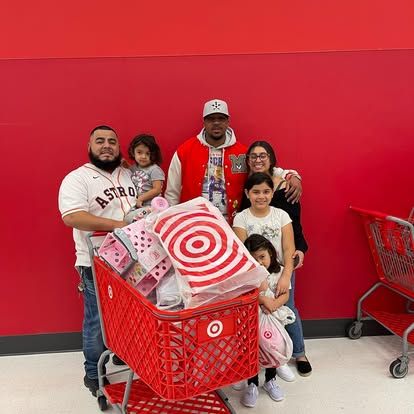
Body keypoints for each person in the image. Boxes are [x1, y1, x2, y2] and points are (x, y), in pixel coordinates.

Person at [58, 125, 136, 397]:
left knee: (129, 316)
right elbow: (72, 216)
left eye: (112, 141)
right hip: (96, 263)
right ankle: (93, 373)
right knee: (96, 320)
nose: (107, 146)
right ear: (89, 146)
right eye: (100, 141)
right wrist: (118, 225)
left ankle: (120, 355)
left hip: (134, 263)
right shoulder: (77, 178)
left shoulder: (127, 174)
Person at [164, 98, 302, 224]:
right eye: (211, 119)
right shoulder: (185, 150)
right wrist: (172, 222)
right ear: (204, 122)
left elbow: (266, 168)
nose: (216, 123)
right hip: (193, 222)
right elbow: (172, 192)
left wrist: (291, 176)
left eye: (221, 118)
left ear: (228, 121)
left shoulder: (242, 153)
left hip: (232, 224)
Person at [240, 140, 311, 379]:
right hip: (255, 271)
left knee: (287, 308)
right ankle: (265, 357)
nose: (258, 159)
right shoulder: (246, 192)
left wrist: (294, 259)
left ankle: (297, 353)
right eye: (253, 156)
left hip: (281, 266)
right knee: (258, 313)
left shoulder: (286, 186)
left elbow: (293, 229)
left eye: (263, 155)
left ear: (272, 159)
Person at [241, 233, 293, 407]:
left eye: (262, 257)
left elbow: (286, 295)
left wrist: (273, 304)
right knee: (252, 352)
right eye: (255, 259)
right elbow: (244, 297)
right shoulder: (249, 275)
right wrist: (263, 300)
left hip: (273, 319)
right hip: (251, 322)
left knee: (273, 348)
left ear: (271, 253)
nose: (260, 262)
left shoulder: (279, 273)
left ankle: (270, 380)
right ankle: (252, 384)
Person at [128, 133, 165, 207]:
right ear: (133, 152)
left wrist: (140, 198)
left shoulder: (155, 170)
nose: (143, 156)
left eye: (148, 153)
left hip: (153, 205)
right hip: (137, 205)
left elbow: (157, 189)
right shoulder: (133, 168)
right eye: (139, 152)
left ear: (154, 155)